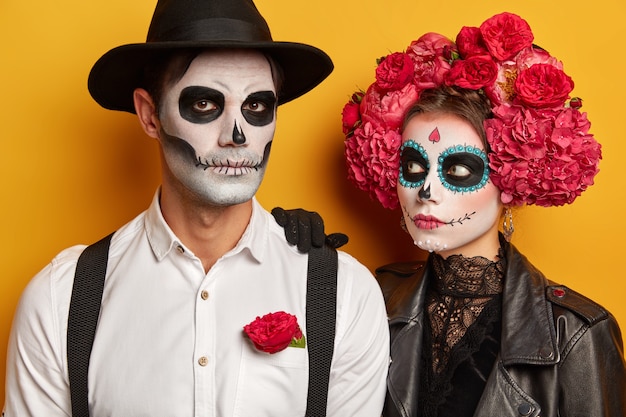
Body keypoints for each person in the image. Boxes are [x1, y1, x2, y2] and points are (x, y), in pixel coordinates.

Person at [2, 0, 389, 415]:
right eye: (205, 104)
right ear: (150, 115)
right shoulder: (61, 299)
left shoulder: (344, 293)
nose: (237, 135)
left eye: (257, 105)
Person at [339, 12, 626, 417]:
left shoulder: (577, 332)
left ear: (512, 178)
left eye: (457, 170)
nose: (426, 190)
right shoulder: (373, 295)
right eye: (413, 168)